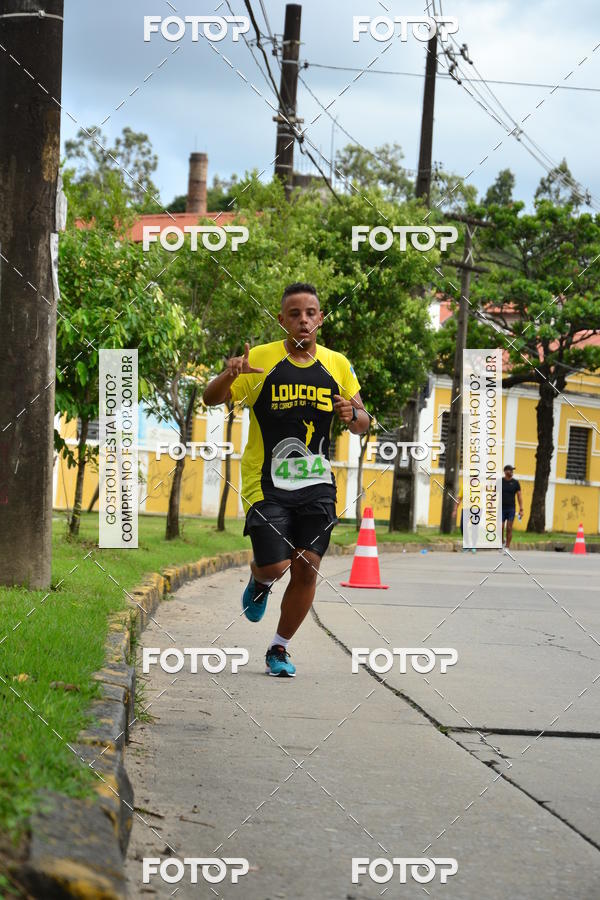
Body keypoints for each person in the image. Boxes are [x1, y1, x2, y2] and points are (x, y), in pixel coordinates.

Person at [202, 283, 369, 677]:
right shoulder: (260, 359)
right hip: (266, 482)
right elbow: (211, 398)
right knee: (276, 566)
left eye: (310, 313)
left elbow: (363, 420)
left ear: (320, 319)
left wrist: (352, 415)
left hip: (316, 482)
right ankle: (260, 581)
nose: (303, 320)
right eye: (294, 314)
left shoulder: (337, 364)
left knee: (308, 565)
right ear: (282, 320)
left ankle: (279, 648)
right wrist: (229, 374)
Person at [502, 464, 524, 550]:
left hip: (511, 509)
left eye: (512, 470)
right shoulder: (500, 482)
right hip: (501, 508)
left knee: (509, 528)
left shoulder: (515, 483)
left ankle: (507, 547)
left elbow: (519, 496)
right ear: (505, 471)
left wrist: (521, 509)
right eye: (510, 470)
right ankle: (502, 542)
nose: (512, 472)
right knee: (500, 527)